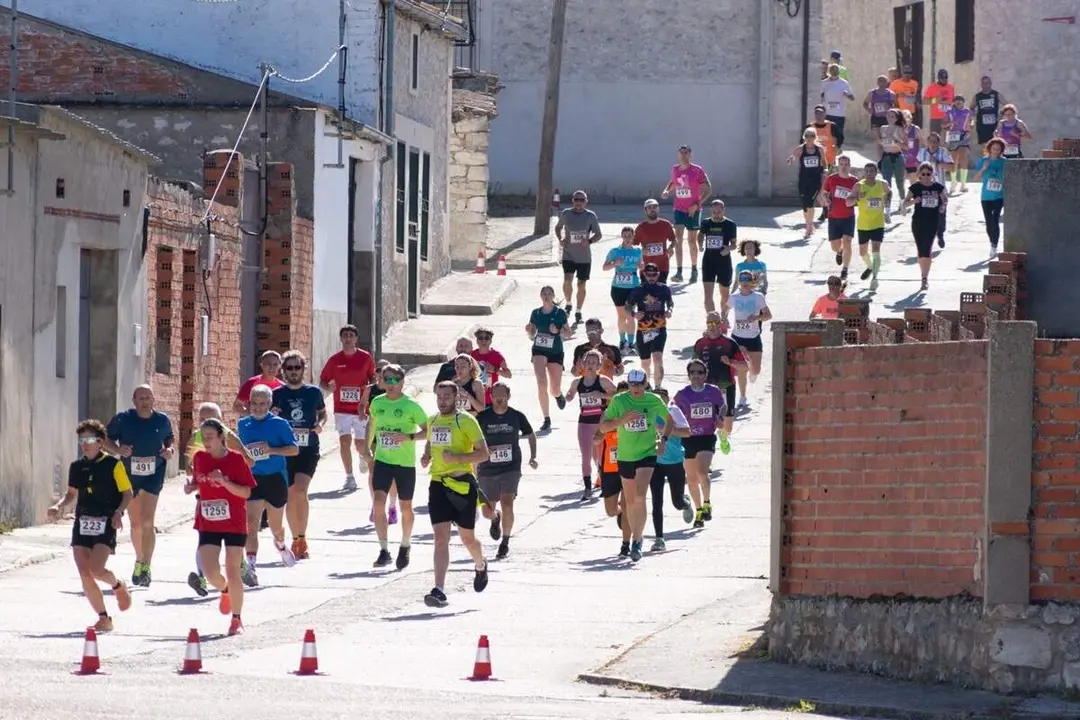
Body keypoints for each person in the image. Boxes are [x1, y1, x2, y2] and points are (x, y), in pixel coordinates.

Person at [48, 419, 133, 632]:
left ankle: (117, 584)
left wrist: (118, 512)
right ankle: (104, 618)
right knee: (84, 573)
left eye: (89, 439)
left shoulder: (114, 465)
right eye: (82, 440)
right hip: (83, 521)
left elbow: (127, 494)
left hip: (106, 520)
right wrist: (59, 505)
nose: (85, 444)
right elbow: (71, 493)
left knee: (96, 569)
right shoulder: (77, 467)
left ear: (101, 442)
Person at [420, 381, 492, 607]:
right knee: (440, 539)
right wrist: (426, 456)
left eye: (447, 397)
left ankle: (480, 565)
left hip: (462, 485)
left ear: (456, 398)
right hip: (438, 484)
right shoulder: (432, 420)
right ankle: (439, 589)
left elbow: (484, 454)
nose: (442, 401)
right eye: (439, 397)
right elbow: (431, 444)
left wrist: (458, 459)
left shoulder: (466, 421)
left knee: (467, 539)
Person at [185, 418, 257, 636]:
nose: (206, 441)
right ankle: (225, 590)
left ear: (221, 438)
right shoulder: (199, 458)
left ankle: (236, 619)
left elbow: (246, 492)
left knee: (233, 569)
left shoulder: (236, 460)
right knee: (209, 571)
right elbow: (200, 480)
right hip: (208, 521)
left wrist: (225, 482)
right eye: (203, 437)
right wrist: (192, 486)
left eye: (210, 437)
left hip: (234, 521)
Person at [599, 368, 671, 563]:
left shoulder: (654, 400)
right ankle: (633, 537)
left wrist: (663, 438)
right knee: (630, 502)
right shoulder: (620, 401)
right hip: (625, 456)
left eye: (640, 384)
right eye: (632, 384)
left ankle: (637, 541)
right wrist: (622, 420)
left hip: (647, 454)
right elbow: (604, 427)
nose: (636, 388)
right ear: (628, 384)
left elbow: (669, 419)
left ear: (646, 383)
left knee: (640, 495)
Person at [105, 384, 174, 588]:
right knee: (136, 524)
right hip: (130, 474)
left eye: (148, 397)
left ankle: (146, 566)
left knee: (147, 521)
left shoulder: (162, 420)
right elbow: (105, 439)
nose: (145, 402)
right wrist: (118, 449)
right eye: (141, 398)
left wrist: (169, 449)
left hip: (154, 473)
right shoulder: (123, 419)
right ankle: (139, 559)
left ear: (154, 400)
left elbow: (170, 438)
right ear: (134, 401)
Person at [367, 363, 429, 570]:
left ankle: (405, 544)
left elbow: (428, 430)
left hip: (404, 463)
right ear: (382, 382)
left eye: (395, 380)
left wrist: (408, 436)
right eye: (387, 379)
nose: (391, 384)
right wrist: (367, 448)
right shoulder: (377, 402)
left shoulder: (411, 405)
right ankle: (384, 550)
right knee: (378, 503)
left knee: (405, 507)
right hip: (383, 461)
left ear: (402, 382)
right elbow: (372, 424)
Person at [237, 384, 299, 586]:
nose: (258, 407)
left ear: (269, 404)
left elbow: (293, 450)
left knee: (275, 526)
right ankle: (252, 566)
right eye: (254, 403)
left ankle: (280, 545)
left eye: (262, 404)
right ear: (249, 404)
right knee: (251, 524)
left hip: (275, 477)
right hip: (253, 478)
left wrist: (271, 449)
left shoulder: (280, 424)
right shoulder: (242, 424)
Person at [272, 350, 327, 561]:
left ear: (304, 369)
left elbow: (322, 413)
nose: (293, 371)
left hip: (308, 449)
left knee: (301, 491)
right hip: (286, 450)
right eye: (289, 368)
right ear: (283, 371)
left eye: (297, 367)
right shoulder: (277, 394)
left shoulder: (313, 392)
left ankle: (302, 538)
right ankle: (295, 538)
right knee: (290, 494)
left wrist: (320, 425)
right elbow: (269, 418)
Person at [476, 382, 537, 560]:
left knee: (508, 503)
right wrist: (483, 451)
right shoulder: (482, 417)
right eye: (496, 394)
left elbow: (531, 434)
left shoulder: (516, 416)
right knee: (487, 511)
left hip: (511, 468)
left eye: (503, 394)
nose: (499, 398)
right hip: (487, 468)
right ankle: (495, 519)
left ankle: (505, 541)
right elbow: (471, 438)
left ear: (509, 396)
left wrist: (533, 456)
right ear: (491, 396)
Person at [319, 324, 377, 493]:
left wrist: (370, 386)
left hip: (361, 407)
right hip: (341, 408)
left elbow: (373, 376)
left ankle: (361, 455)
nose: (348, 338)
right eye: (345, 335)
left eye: (351, 335)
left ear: (356, 339)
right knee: (344, 441)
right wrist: (328, 388)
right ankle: (349, 477)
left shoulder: (365, 357)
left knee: (360, 444)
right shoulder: (335, 360)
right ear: (341, 338)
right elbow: (323, 380)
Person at [673, 361, 728, 529]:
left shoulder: (713, 391)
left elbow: (723, 406)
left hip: (706, 437)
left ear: (705, 374)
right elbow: (672, 411)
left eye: (699, 372)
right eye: (692, 372)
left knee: (702, 472)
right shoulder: (682, 394)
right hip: (688, 438)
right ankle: (698, 511)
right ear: (688, 375)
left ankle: (707, 503)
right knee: (691, 478)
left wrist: (720, 418)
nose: (696, 375)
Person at [565, 349, 617, 499]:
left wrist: (601, 395)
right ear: (583, 363)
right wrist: (567, 397)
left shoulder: (603, 381)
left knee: (600, 455)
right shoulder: (577, 382)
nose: (590, 365)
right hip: (584, 423)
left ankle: (604, 483)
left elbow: (617, 394)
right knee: (586, 455)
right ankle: (587, 488)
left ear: (599, 365)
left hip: (600, 422)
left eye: (594, 363)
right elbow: (570, 395)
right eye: (588, 362)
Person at [649, 387, 693, 551]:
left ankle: (685, 503)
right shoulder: (649, 411)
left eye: (663, 399)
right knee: (656, 501)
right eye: (656, 398)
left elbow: (687, 432)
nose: (660, 402)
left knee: (677, 502)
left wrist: (669, 431)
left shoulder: (673, 411)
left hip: (674, 461)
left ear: (668, 400)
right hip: (655, 462)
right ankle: (659, 538)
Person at [660, 145, 711, 283]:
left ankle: (694, 270)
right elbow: (674, 182)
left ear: (690, 154)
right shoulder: (675, 169)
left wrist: (697, 205)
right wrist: (666, 190)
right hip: (679, 209)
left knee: (691, 241)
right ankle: (679, 271)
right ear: (678, 154)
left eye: (686, 152)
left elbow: (708, 189)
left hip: (693, 210)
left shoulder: (697, 170)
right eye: (681, 153)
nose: (683, 155)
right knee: (677, 240)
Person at [693, 312, 743, 452]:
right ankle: (707, 451)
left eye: (715, 323)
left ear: (721, 324)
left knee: (728, 425)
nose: (712, 326)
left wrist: (731, 362)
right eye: (709, 323)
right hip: (706, 388)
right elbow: (693, 365)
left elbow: (745, 366)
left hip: (726, 387)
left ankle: (723, 436)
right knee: (705, 421)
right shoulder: (700, 344)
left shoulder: (729, 343)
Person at [596, 381, 634, 557]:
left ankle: (626, 544)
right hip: (610, 467)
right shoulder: (608, 413)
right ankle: (619, 513)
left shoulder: (636, 413)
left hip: (630, 464)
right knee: (611, 511)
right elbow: (596, 439)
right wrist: (604, 431)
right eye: (620, 394)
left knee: (628, 506)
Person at [526, 285, 571, 432]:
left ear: (553, 296)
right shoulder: (535, 313)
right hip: (539, 350)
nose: (546, 296)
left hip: (555, 352)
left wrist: (557, 331)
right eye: (544, 293)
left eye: (549, 293)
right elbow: (532, 335)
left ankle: (558, 396)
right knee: (541, 382)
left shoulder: (559, 313)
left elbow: (568, 333)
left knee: (554, 388)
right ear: (540, 296)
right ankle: (546, 418)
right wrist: (529, 331)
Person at [555, 189, 603, 325]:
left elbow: (598, 234)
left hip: (584, 257)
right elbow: (558, 228)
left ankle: (578, 310)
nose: (578, 202)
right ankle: (568, 303)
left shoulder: (590, 216)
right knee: (567, 280)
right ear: (572, 201)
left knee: (581, 284)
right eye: (576, 200)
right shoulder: (566, 213)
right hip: (569, 254)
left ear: (586, 202)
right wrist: (561, 238)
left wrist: (589, 241)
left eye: (581, 200)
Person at [625, 263, 674, 388]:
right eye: (648, 275)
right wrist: (634, 314)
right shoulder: (638, 290)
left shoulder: (664, 288)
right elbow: (627, 306)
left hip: (659, 328)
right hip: (643, 330)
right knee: (645, 363)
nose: (651, 277)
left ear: (658, 274)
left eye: (654, 274)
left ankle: (658, 386)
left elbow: (670, 302)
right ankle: (647, 386)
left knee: (657, 359)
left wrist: (669, 310)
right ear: (644, 275)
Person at [903, 161, 949, 292]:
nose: (926, 176)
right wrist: (913, 201)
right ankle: (922, 273)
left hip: (932, 221)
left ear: (932, 174)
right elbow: (904, 204)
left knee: (927, 248)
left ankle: (925, 278)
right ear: (919, 175)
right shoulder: (915, 188)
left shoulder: (938, 187)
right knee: (920, 249)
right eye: (923, 174)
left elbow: (945, 200)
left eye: (928, 174)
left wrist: (942, 206)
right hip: (918, 222)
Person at [729, 270, 772, 409]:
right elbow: (725, 310)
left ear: (752, 282)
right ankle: (742, 396)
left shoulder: (758, 297)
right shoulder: (734, 297)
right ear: (739, 282)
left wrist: (757, 317)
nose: (745, 283)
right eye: (742, 280)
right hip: (737, 337)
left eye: (748, 280)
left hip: (753, 337)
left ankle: (753, 373)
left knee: (756, 370)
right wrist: (723, 318)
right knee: (742, 368)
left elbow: (768, 315)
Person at [848, 161, 891, 285]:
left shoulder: (882, 184)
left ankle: (875, 278)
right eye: (867, 171)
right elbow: (848, 202)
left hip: (878, 223)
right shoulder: (858, 186)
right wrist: (857, 197)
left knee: (876, 250)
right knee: (863, 252)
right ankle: (870, 266)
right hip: (864, 224)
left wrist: (887, 211)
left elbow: (889, 193)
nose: (869, 174)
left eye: (872, 171)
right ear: (864, 172)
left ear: (876, 172)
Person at [603, 227, 644, 353]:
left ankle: (631, 343)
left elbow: (641, 265)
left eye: (629, 236)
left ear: (633, 237)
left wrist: (641, 266)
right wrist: (615, 263)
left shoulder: (637, 251)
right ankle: (622, 341)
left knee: (631, 316)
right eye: (625, 235)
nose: (627, 238)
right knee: (622, 316)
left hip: (633, 287)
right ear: (621, 236)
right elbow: (604, 267)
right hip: (618, 288)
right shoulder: (615, 251)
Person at [820, 154, 859, 281]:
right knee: (835, 246)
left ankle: (845, 269)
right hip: (834, 216)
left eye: (846, 164)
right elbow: (824, 193)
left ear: (850, 166)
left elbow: (859, 197)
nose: (843, 167)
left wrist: (856, 200)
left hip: (848, 216)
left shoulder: (854, 181)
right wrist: (826, 200)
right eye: (841, 164)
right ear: (838, 165)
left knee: (847, 241)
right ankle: (839, 251)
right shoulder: (831, 179)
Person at [916, 133, 955, 249]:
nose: (932, 144)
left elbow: (952, 168)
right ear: (927, 142)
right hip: (925, 188)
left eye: (935, 142)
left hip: (940, 188)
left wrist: (937, 162)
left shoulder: (943, 152)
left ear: (938, 143)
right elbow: (917, 168)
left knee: (941, 213)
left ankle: (940, 233)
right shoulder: (922, 152)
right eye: (930, 141)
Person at [698, 199, 738, 315]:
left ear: (723, 211)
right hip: (708, 261)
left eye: (719, 212)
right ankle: (712, 322)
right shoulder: (706, 223)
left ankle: (723, 319)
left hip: (724, 262)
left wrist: (728, 249)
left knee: (725, 294)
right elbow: (700, 235)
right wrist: (699, 244)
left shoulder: (730, 224)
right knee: (707, 295)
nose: (716, 215)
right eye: (714, 212)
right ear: (711, 211)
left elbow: (734, 244)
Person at [787, 128, 826, 238]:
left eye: (812, 136)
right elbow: (793, 156)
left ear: (815, 137)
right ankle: (808, 223)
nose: (810, 139)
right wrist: (791, 160)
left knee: (810, 202)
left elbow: (824, 161)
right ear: (805, 137)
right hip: (803, 180)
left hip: (815, 180)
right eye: (808, 136)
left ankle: (809, 225)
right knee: (805, 204)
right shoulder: (800, 149)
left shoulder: (819, 149)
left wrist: (825, 170)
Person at [972, 138, 1007, 253]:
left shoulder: (1004, 162)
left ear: (1001, 150)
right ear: (989, 149)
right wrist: (984, 169)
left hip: (999, 196)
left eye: (998, 149)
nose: (996, 151)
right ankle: (992, 241)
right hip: (986, 196)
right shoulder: (983, 160)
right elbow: (976, 179)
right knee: (988, 222)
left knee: (995, 219)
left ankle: (994, 244)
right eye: (994, 149)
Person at [634, 199, 677, 284]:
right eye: (649, 208)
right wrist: (641, 251)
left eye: (654, 207)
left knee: (660, 292)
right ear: (645, 211)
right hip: (646, 266)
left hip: (662, 265)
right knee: (646, 294)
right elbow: (633, 245)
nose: (652, 209)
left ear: (658, 209)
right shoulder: (641, 227)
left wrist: (671, 247)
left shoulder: (666, 224)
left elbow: (674, 240)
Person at [471, 327, 511, 407]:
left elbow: (509, 375)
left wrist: (495, 370)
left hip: (491, 398)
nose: (483, 341)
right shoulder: (472, 355)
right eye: (480, 338)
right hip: (475, 397)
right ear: (477, 340)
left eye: (486, 338)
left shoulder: (497, 355)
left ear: (490, 341)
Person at [878, 109, 907, 214]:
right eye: (888, 116)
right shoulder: (882, 129)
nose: (890, 118)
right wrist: (880, 158)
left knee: (900, 183)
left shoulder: (899, 129)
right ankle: (887, 209)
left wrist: (896, 143)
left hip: (897, 157)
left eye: (893, 116)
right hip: (886, 157)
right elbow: (879, 143)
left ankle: (903, 204)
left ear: (897, 118)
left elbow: (906, 146)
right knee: (886, 183)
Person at [943, 95, 973, 194]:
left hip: (964, 136)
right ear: (954, 102)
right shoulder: (949, 112)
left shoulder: (967, 111)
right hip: (952, 136)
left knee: (963, 157)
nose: (958, 102)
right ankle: (953, 182)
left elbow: (971, 121)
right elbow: (943, 125)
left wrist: (970, 126)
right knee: (953, 160)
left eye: (960, 100)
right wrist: (950, 122)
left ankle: (963, 183)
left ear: (963, 102)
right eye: (956, 100)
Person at [821, 63, 855, 148]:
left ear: (839, 71)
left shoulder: (844, 83)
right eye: (832, 70)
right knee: (827, 134)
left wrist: (847, 94)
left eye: (836, 70)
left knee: (839, 135)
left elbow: (852, 97)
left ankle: (837, 149)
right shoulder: (824, 83)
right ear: (829, 71)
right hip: (827, 113)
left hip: (839, 114)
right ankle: (828, 152)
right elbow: (819, 95)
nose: (834, 72)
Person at [971, 76, 1007, 148]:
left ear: (990, 84)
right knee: (985, 146)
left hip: (994, 124)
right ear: (981, 85)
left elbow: (1007, 105)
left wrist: (1001, 115)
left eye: (987, 83)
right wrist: (974, 115)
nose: (986, 85)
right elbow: (971, 108)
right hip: (982, 126)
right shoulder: (977, 96)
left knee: (996, 144)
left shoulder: (996, 94)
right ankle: (986, 159)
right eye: (984, 83)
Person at [924, 69, 955, 135]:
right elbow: (924, 101)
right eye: (942, 78)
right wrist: (935, 100)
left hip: (948, 118)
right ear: (938, 78)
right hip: (936, 118)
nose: (944, 79)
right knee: (934, 138)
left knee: (947, 140)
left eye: (946, 77)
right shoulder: (932, 87)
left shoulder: (951, 87)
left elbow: (953, 102)